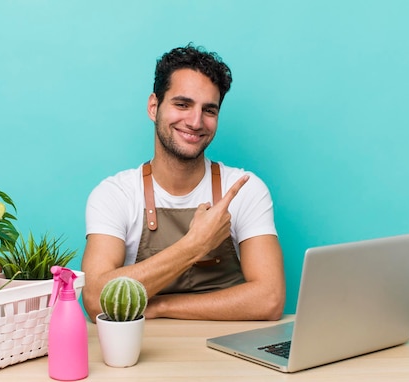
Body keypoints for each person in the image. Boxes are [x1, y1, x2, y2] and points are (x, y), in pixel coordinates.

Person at [81, 44, 285, 322]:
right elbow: (94, 299)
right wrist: (194, 246)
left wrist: (162, 307)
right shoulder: (115, 195)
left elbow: (269, 299)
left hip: (230, 354)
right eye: (182, 104)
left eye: (209, 110)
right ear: (154, 107)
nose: (195, 121)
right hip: (142, 353)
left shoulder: (245, 188)